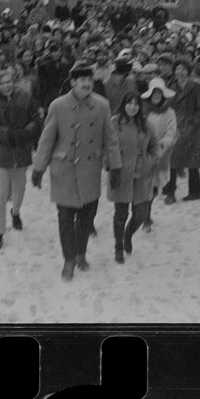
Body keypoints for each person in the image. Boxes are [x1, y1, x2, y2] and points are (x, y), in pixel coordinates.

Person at [32, 62, 122, 280]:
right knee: (65, 219)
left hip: (89, 170)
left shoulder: (102, 106)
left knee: (85, 218)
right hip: (64, 170)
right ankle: (69, 260)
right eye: (82, 81)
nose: (86, 84)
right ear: (73, 82)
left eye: (90, 81)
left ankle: (81, 253)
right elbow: (47, 139)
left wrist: (116, 166)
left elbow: (111, 139)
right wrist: (38, 167)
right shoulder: (58, 106)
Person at [0, 68, 43, 251]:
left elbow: (35, 118)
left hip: (21, 150)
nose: (7, 85)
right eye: (2, 83)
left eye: (9, 81)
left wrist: (27, 132)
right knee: (0, 194)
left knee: (20, 187)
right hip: (1, 151)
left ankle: (15, 212)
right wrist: (7, 134)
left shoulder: (24, 97)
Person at [107, 92, 153, 264]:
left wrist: (151, 161)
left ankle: (128, 234)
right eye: (129, 103)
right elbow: (107, 146)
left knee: (141, 213)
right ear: (124, 104)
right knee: (121, 213)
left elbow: (155, 145)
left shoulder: (145, 123)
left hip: (141, 173)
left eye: (136, 104)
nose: (132, 107)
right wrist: (111, 166)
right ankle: (118, 247)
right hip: (121, 172)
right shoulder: (114, 122)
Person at [163, 57, 200, 204]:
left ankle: (195, 191)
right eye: (177, 69)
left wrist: (195, 123)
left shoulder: (196, 86)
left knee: (193, 161)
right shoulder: (171, 86)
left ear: (188, 72)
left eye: (183, 69)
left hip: (190, 127)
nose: (179, 72)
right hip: (175, 126)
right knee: (172, 160)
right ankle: (170, 192)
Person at [140, 77, 177, 232]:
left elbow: (171, 132)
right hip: (143, 154)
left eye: (159, 93)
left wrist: (161, 144)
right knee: (145, 186)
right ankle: (145, 217)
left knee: (154, 187)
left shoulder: (169, 112)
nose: (156, 96)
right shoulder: (143, 111)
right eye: (153, 93)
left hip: (161, 154)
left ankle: (147, 214)